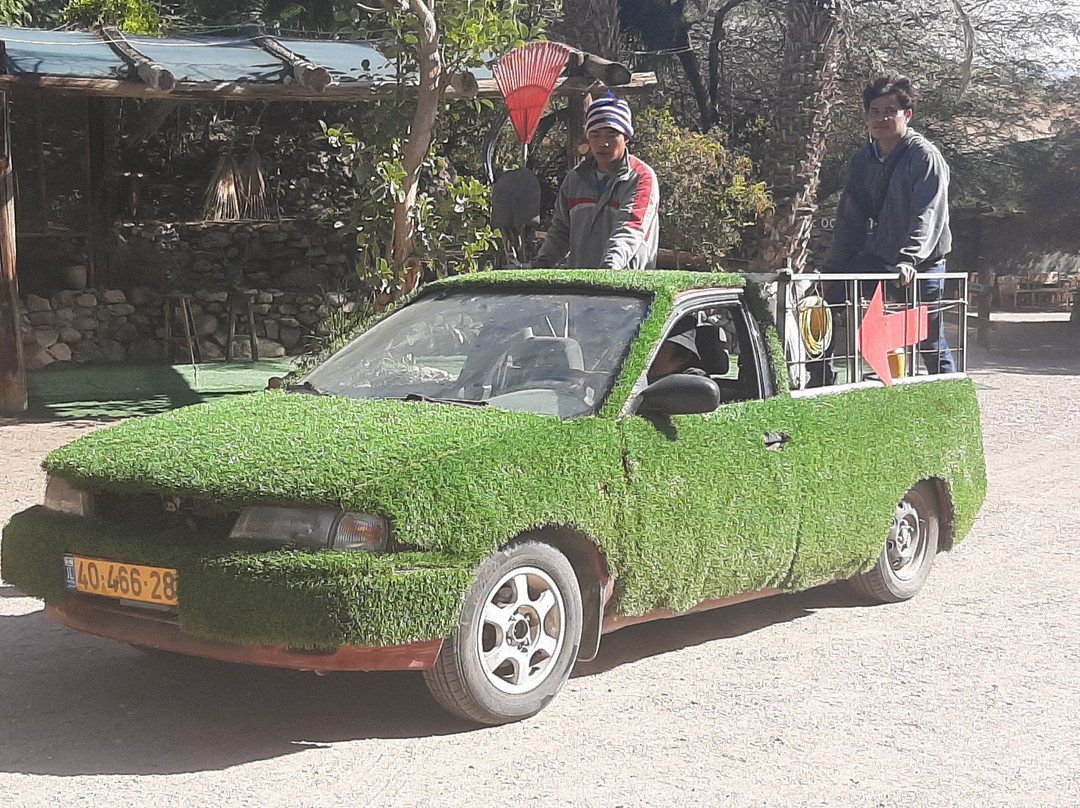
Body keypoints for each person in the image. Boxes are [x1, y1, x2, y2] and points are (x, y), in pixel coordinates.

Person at [823, 74, 955, 374]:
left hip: (922, 265)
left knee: (929, 341)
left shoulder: (924, 157)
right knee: (827, 300)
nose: (881, 118)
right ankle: (821, 381)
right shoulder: (862, 160)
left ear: (906, 115)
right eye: (874, 111)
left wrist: (909, 258)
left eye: (889, 111)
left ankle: (949, 399)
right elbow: (850, 219)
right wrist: (831, 270)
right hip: (881, 258)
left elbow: (928, 212)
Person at [535, 93, 659, 271]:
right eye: (596, 134)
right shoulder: (574, 180)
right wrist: (543, 262)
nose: (603, 143)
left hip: (629, 290)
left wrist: (609, 269)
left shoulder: (640, 178)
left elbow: (629, 228)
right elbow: (561, 231)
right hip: (583, 290)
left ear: (626, 137)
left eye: (612, 134)